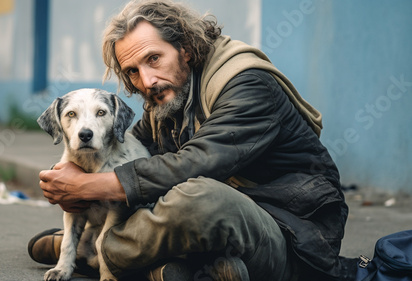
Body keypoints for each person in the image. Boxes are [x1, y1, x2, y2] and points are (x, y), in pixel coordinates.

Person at [29, 0, 353, 280]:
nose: (147, 81)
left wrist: (87, 187)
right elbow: (132, 154)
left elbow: (197, 162)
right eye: (132, 71)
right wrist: (68, 179)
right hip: (221, 237)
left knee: (200, 197)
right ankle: (178, 269)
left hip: (291, 236)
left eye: (153, 59)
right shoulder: (169, 97)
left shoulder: (248, 85)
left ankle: (93, 249)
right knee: (165, 195)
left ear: (185, 48)